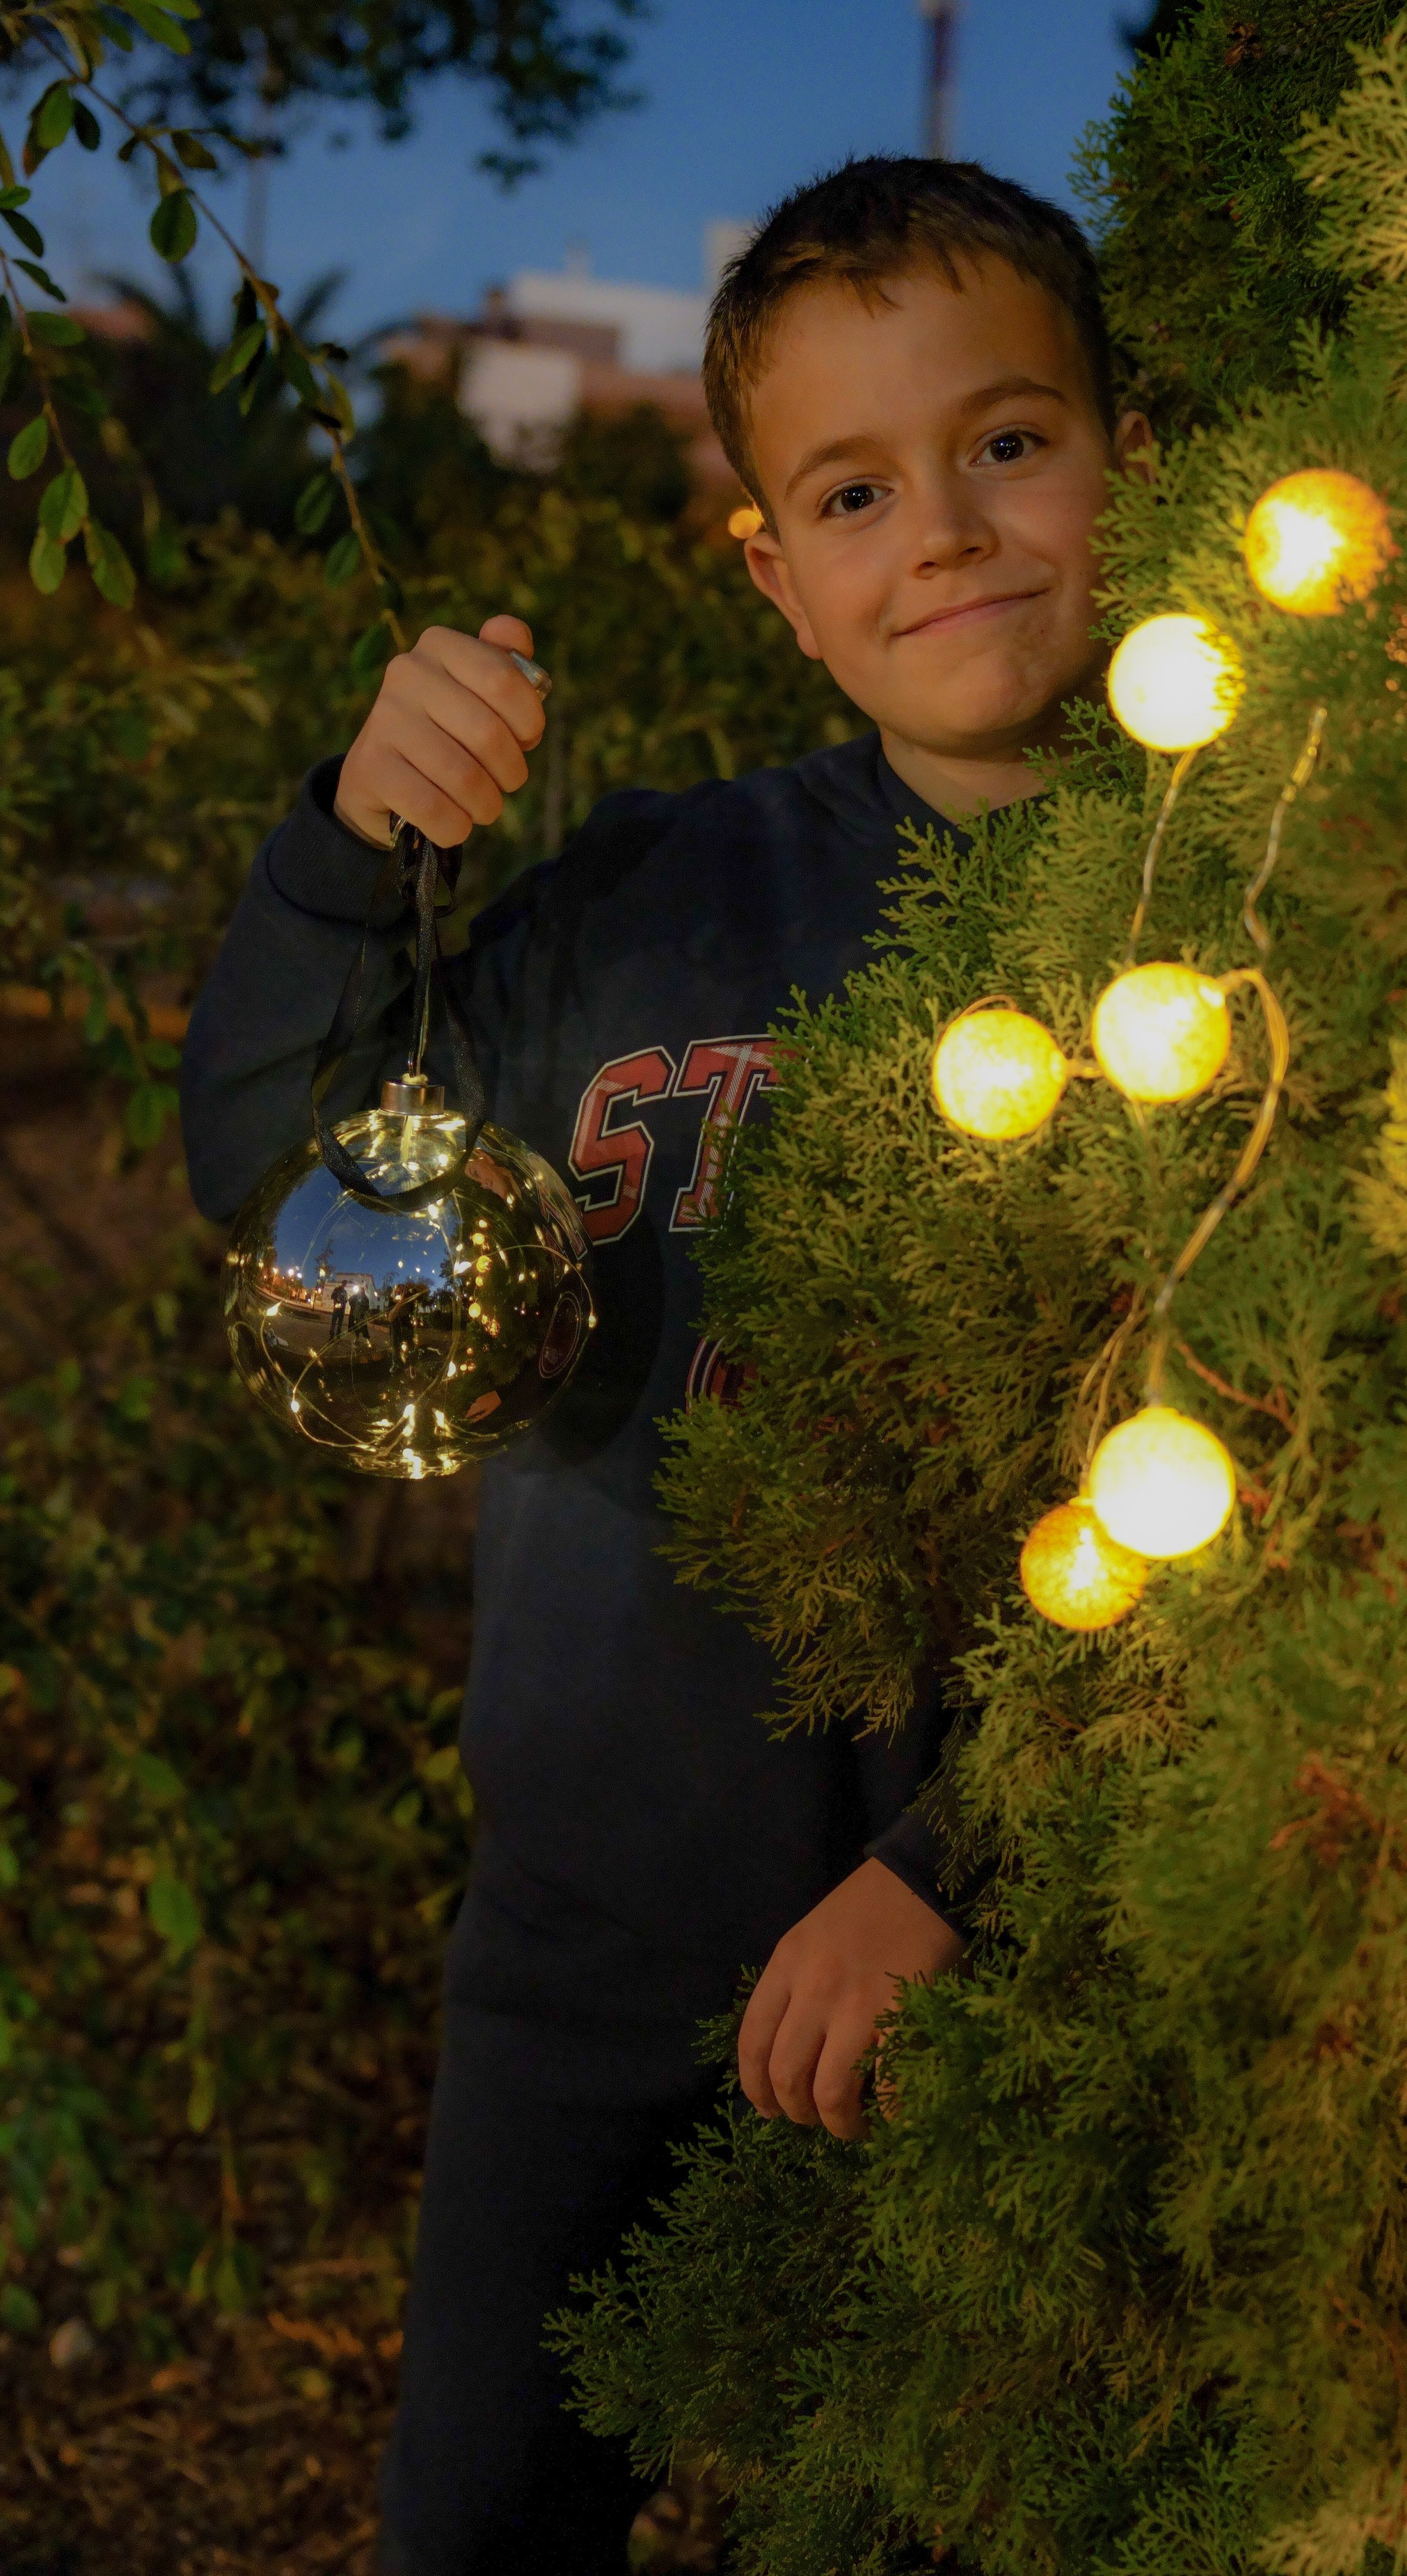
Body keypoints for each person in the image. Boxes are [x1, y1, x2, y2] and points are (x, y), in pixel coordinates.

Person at [180, 154, 1151, 2576]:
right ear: (779, 578)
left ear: (1133, 455)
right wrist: (349, 840)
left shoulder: (1222, 929)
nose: (941, 527)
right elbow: (276, 1163)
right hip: (590, 1955)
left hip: (997, 1974)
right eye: (851, 488)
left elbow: (1261, 1504)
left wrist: (961, 1874)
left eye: (1008, 442)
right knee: (487, 2525)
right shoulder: (646, 900)